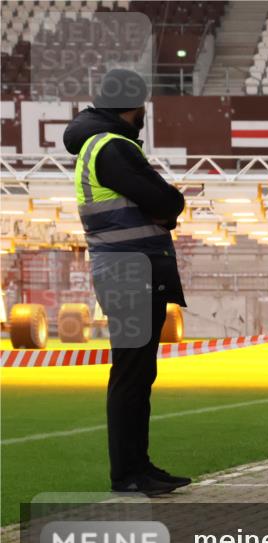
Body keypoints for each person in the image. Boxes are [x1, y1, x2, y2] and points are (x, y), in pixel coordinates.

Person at [63, 69, 189, 495]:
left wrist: (164, 207)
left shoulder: (98, 145)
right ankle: (128, 474)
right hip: (130, 271)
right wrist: (171, 204)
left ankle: (139, 467)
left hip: (128, 271)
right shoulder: (113, 148)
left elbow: (156, 204)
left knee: (138, 373)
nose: (143, 116)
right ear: (132, 106)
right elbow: (165, 200)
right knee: (132, 376)